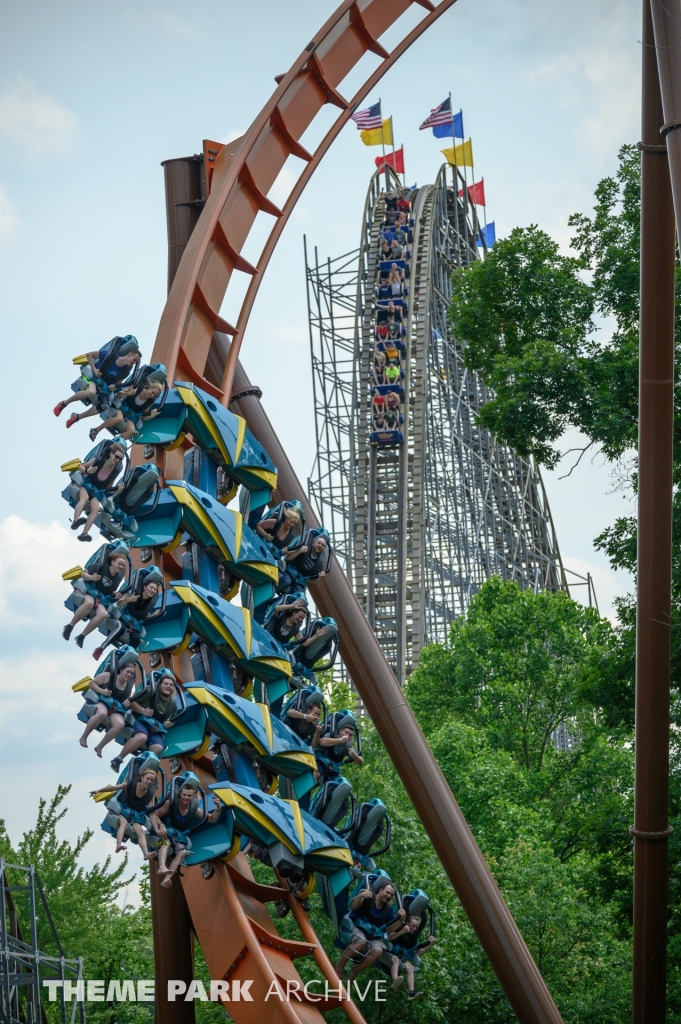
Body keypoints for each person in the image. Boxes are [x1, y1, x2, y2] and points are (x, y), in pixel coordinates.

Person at [153, 773, 222, 888]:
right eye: (184, 795)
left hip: (176, 836)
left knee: (182, 852)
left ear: (193, 796)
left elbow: (211, 819)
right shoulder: (170, 803)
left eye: (189, 796)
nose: (186, 798)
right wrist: (161, 826)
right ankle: (161, 866)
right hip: (159, 834)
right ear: (180, 793)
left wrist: (218, 808)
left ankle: (166, 879)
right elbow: (155, 816)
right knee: (166, 842)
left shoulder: (194, 809)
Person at [54, 337, 141, 427]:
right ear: (129, 354)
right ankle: (64, 403)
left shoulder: (125, 372)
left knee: (104, 406)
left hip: (102, 387)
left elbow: (118, 384)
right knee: (91, 391)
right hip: (92, 379)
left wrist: (114, 387)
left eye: (136, 362)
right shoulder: (111, 355)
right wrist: (95, 369)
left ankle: (77, 417)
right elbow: (89, 355)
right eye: (134, 360)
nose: (134, 363)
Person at [336, 876, 405, 982]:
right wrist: (361, 896)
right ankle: (341, 964)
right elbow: (353, 906)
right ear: (380, 890)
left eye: (391, 895)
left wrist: (401, 921)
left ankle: (355, 970)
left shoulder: (388, 910)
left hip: (373, 934)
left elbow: (389, 929)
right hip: (357, 927)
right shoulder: (368, 896)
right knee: (361, 941)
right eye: (387, 892)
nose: (389, 896)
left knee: (378, 950)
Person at [109, 668, 179, 773]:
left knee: (158, 748)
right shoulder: (150, 691)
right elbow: (131, 702)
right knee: (142, 737)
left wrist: (169, 723)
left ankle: (140, 770)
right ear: (159, 685)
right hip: (141, 720)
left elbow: (173, 718)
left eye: (171, 685)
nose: (168, 686)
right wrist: (142, 711)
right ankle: (118, 759)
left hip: (156, 727)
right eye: (166, 684)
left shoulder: (173, 703)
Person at [63, 543, 129, 648]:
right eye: (119, 564)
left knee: (102, 614)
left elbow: (110, 592)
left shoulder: (118, 577)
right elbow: (83, 574)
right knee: (89, 603)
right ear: (112, 562)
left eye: (123, 565)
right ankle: (69, 627)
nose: (121, 567)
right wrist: (91, 578)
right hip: (89, 590)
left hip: (100, 597)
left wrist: (116, 596)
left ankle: (81, 637)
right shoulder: (100, 566)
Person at [79, 648, 140, 757]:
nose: (129, 675)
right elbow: (92, 684)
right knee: (102, 713)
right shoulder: (108, 676)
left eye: (131, 673)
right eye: (127, 672)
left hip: (115, 707)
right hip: (101, 700)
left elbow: (127, 698)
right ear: (121, 671)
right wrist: (103, 691)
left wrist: (127, 703)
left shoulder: (128, 686)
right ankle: (84, 736)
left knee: (120, 725)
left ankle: (100, 747)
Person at [93, 566, 163, 659]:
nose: (153, 591)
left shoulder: (149, 603)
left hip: (133, 623)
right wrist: (128, 600)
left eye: (154, 589)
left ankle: (126, 658)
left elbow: (143, 616)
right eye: (151, 587)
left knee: (136, 639)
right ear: (145, 587)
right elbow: (118, 603)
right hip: (122, 616)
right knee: (121, 628)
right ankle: (101, 648)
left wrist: (154, 615)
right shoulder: (133, 591)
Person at [91, 765, 161, 857]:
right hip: (123, 809)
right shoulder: (131, 785)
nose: (149, 782)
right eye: (148, 779)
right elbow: (113, 788)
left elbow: (151, 812)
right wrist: (98, 790)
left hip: (135, 814)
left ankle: (145, 853)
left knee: (140, 831)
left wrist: (156, 829)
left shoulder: (150, 794)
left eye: (152, 780)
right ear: (142, 777)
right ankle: (118, 845)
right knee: (123, 823)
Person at [70, 441, 127, 541]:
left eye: (120, 459)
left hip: (95, 491)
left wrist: (117, 491)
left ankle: (84, 533)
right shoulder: (99, 460)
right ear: (110, 454)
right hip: (84, 484)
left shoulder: (115, 471)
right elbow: (81, 466)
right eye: (116, 457)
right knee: (85, 497)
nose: (117, 460)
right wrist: (87, 470)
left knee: (96, 508)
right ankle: (75, 520)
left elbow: (109, 489)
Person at [88, 377, 164, 443]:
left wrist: (151, 415)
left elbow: (143, 415)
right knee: (119, 418)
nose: (152, 395)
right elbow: (118, 394)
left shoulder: (150, 401)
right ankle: (96, 430)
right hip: (122, 407)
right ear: (150, 387)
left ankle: (114, 443)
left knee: (132, 431)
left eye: (154, 395)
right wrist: (128, 393)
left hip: (131, 415)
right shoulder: (138, 388)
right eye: (153, 392)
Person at [384, 917, 436, 1003]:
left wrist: (429, 945)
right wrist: (402, 931)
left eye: (417, 927)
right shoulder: (399, 928)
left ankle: (411, 993)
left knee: (410, 967)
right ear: (407, 923)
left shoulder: (414, 938)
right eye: (413, 926)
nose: (415, 929)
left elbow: (418, 953)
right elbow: (389, 938)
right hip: (388, 952)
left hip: (401, 957)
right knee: (396, 959)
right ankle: (395, 981)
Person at [312, 712, 363, 782]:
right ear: (341, 731)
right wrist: (340, 740)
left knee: (337, 782)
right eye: (346, 733)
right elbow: (322, 742)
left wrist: (355, 756)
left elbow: (360, 763)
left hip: (330, 767)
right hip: (318, 759)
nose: (348, 736)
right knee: (317, 774)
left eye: (350, 735)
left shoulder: (348, 746)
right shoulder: (332, 735)